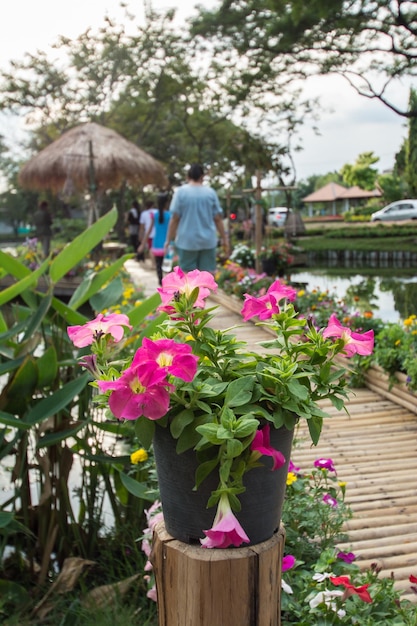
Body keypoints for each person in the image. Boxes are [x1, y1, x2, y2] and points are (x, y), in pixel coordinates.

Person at [165, 164, 229, 272]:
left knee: (188, 279)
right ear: (202, 177)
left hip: (186, 241)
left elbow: (175, 218)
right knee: (207, 276)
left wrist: (168, 239)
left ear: (187, 176)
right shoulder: (210, 193)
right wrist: (224, 238)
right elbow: (218, 218)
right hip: (208, 241)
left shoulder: (181, 192)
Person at [138, 192, 171, 285]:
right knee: (167, 265)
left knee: (158, 264)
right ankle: (169, 282)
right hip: (167, 243)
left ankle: (160, 281)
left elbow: (148, 231)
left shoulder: (154, 215)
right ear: (167, 203)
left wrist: (142, 244)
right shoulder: (169, 215)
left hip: (156, 243)